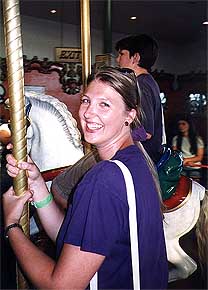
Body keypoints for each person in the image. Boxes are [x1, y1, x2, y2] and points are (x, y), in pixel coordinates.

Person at [3, 68, 168, 289]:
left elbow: (61, 286)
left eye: (104, 104)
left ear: (130, 115)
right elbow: (75, 240)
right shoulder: (136, 161)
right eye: (86, 101)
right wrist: (38, 185)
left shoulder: (104, 179)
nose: (89, 113)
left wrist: (11, 225)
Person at [115, 34, 165, 163]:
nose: (117, 59)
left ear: (135, 57)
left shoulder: (141, 84)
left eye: (122, 54)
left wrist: (113, 136)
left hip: (143, 156)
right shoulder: (147, 81)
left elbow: (145, 132)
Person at [172, 116, 204, 182]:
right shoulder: (176, 139)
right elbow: (174, 154)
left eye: (183, 124)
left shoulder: (197, 139)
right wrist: (183, 161)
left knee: (195, 187)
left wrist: (187, 160)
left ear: (189, 125)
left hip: (195, 168)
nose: (181, 126)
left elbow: (199, 157)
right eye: (179, 124)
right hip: (181, 168)